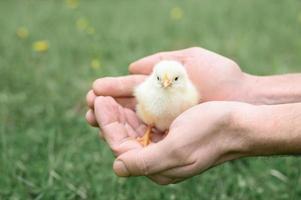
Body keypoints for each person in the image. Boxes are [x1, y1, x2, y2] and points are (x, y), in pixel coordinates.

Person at [85, 47, 301, 185]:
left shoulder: (187, 93)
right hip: (152, 119)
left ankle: (166, 130)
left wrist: (233, 125)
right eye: (161, 79)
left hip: (175, 113)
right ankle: (148, 132)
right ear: (155, 77)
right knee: (149, 118)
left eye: (173, 80)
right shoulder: (146, 90)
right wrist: (248, 91)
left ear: (182, 78)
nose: (167, 84)